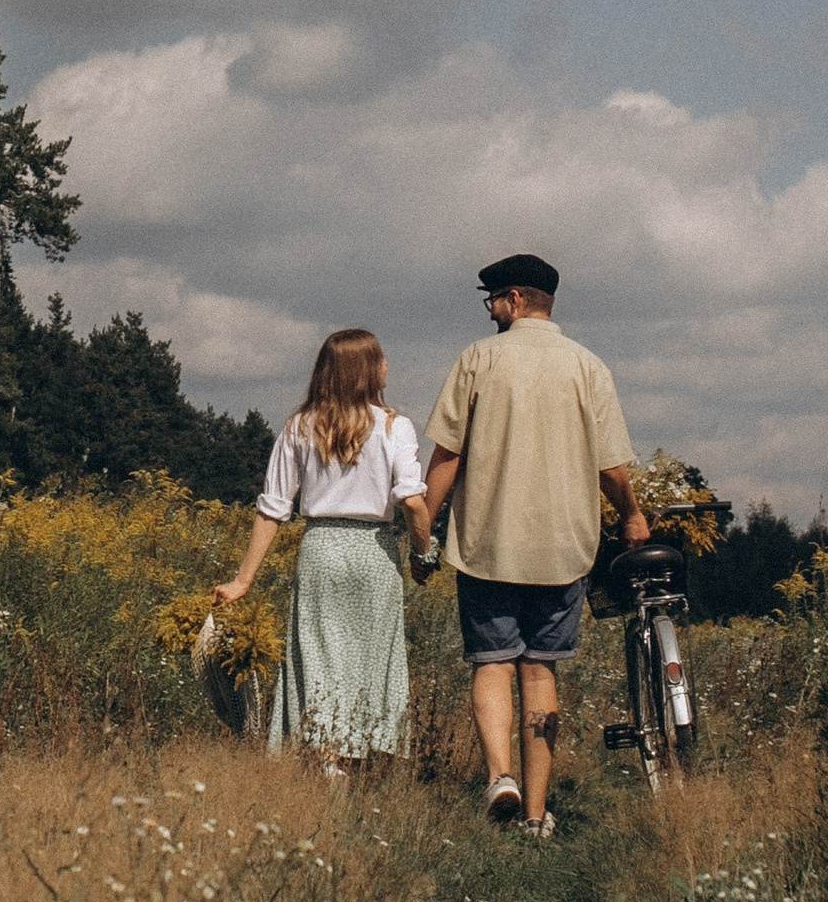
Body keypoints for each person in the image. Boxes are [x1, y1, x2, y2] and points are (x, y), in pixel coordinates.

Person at [421, 254, 648, 834]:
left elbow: (447, 456)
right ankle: (538, 815)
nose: (491, 309)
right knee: (539, 670)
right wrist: (632, 515)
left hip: (487, 544)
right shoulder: (588, 367)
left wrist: (422, 526)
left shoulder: (478, 359)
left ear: (516, 299)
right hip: (562, 548)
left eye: (492, 298)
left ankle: (501, 776)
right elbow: (612, 467)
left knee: (492, 663)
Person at [205, 327, 431, 768]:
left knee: (319, 658)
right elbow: (414, 502)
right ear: (366, 370)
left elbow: (272, 508)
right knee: (371, 661)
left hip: (322, 549)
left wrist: (242, 580)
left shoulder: (300, 426)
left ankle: (327, 762)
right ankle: (359, 759)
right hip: (374, 552)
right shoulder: (394, 427)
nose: (388, 366)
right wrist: (423, 555)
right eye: (381, 359)